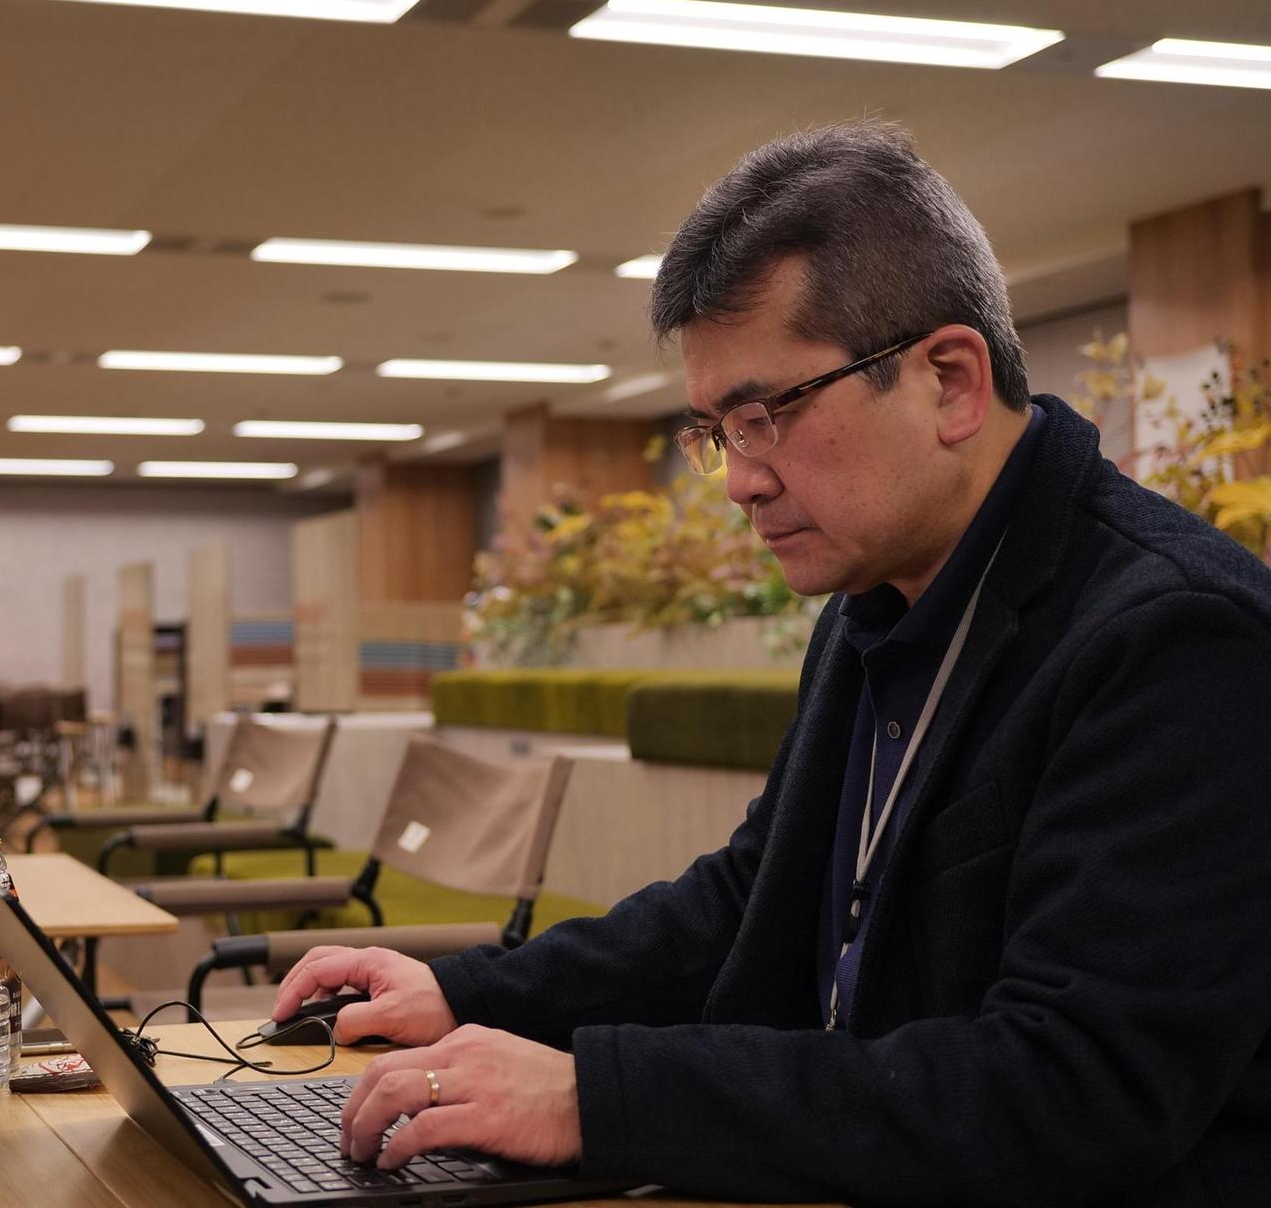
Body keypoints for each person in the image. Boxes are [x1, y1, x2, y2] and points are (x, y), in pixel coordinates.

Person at [273, 122, 1271, 1206]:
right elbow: (754, 897)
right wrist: (470, 994)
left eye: (765, 417)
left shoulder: (1177, 639)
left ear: (948, 381)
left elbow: (1073, 1090)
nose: (741, 479)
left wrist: (596, 1099)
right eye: (717, 432)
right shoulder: (875, 600)